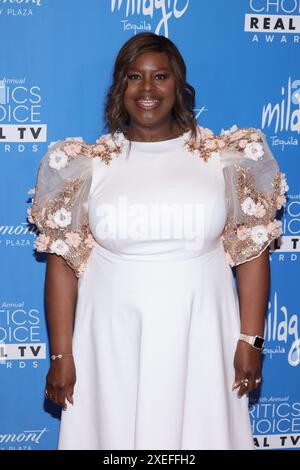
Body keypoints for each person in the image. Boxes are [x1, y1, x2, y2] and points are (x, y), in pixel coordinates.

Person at [29, 32, 287, 450]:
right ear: (120, 88)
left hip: (203, 335)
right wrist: (62, 356)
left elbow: (252, 254)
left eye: (160, 76)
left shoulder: (225, 158)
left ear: (178, 86)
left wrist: (251, 340)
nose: (147, 89)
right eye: (135, 77)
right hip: (110, 339)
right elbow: (62, 265)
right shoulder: (84, 167)